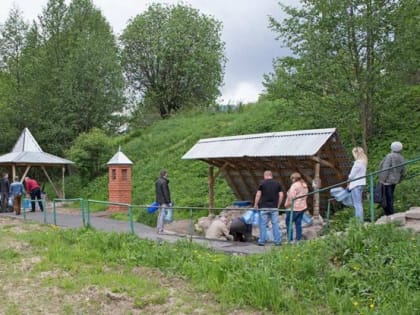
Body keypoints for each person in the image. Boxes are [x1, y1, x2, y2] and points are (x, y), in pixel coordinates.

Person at [253, 170, 284, 246]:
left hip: (264, 207)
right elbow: (281, 195)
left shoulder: (262, 183)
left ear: (265, 176)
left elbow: (258, 195)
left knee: (263, 224)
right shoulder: (277, 183)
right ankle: (277, 241)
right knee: (275, 224)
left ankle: (261, 241)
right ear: (271, 175)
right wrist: (278, 205)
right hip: (274, 208)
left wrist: (255, 204)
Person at [379, 141, 406, 215]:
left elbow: (385, 168)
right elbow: (403, 170)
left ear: (391, 147)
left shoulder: (389, 156)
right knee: (390, 197)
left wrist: (382, 179)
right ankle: (390, 213)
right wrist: (400, 179)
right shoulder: (401, 157)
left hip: (387, 181)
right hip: (395, 180)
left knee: (387, 198)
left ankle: (390, 214)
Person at [284, 172, 309, 242]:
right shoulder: (304, 185)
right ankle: (298, 239)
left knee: (288, 222)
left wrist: (287, 194)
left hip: (294, 207)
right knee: (298, 224)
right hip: (302, 206)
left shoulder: (294, 185)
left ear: (294, 178)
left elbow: (292, 197)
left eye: (292, 178)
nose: (291, 180)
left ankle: (290, 239)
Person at [347, 147, 368, 221]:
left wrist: (348, 179)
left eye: (353, 153)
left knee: (357, 204)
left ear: (356, 153)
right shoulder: (364, 162)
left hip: (355, 184)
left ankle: (359, 221)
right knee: (359, 203)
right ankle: (360, 220)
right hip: (361, 184)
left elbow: (351, 175)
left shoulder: (358, 162)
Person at [155, 169, 171, 234]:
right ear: (165, 174)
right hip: (163, 201)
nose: (167, 175)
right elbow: (165, 193)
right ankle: (161, 229)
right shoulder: (164, 182)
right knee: (162, 215)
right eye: (166, 174)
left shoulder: (157, 181)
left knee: (159, 214)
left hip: (159, 201)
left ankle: (158, 228)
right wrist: (168, 202)